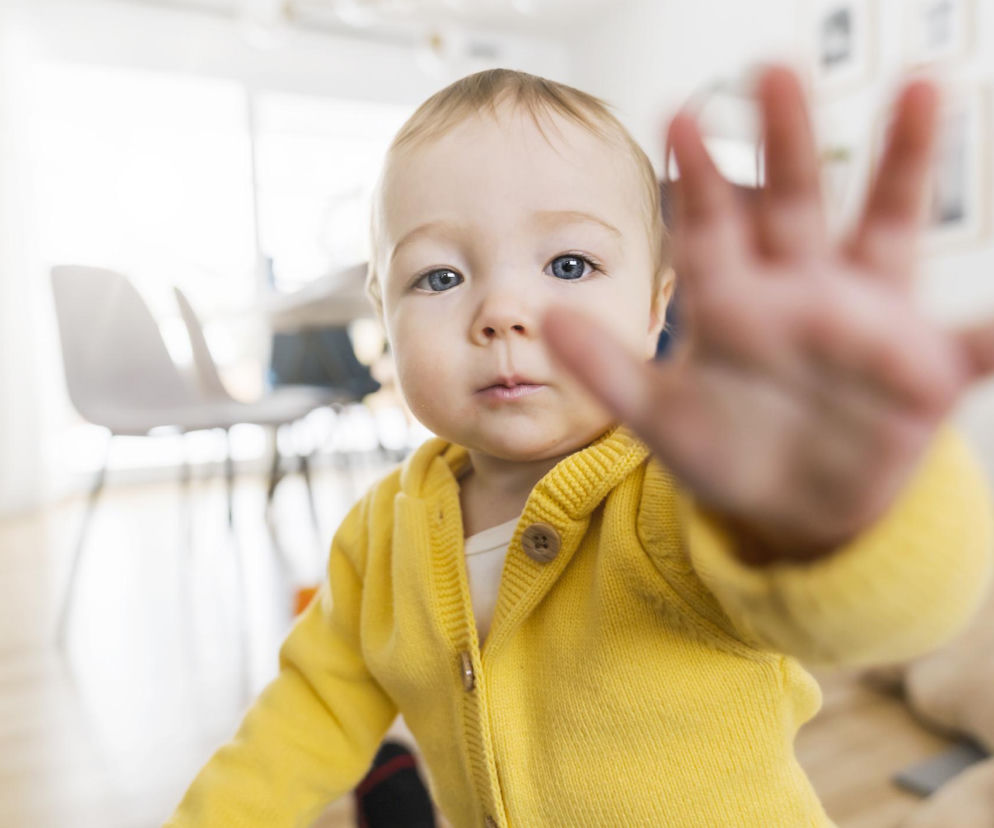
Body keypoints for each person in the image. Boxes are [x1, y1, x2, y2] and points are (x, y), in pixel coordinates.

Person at [165, 66, 994, 827]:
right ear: (383, 316)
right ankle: (394, 788)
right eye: (440, 277)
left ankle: (392, 790)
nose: (502, 312)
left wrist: (834, 515)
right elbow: (305, 715)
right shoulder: (377, 541)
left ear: (655, 309)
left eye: (568, 263)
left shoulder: (685, 494)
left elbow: (870, 622)